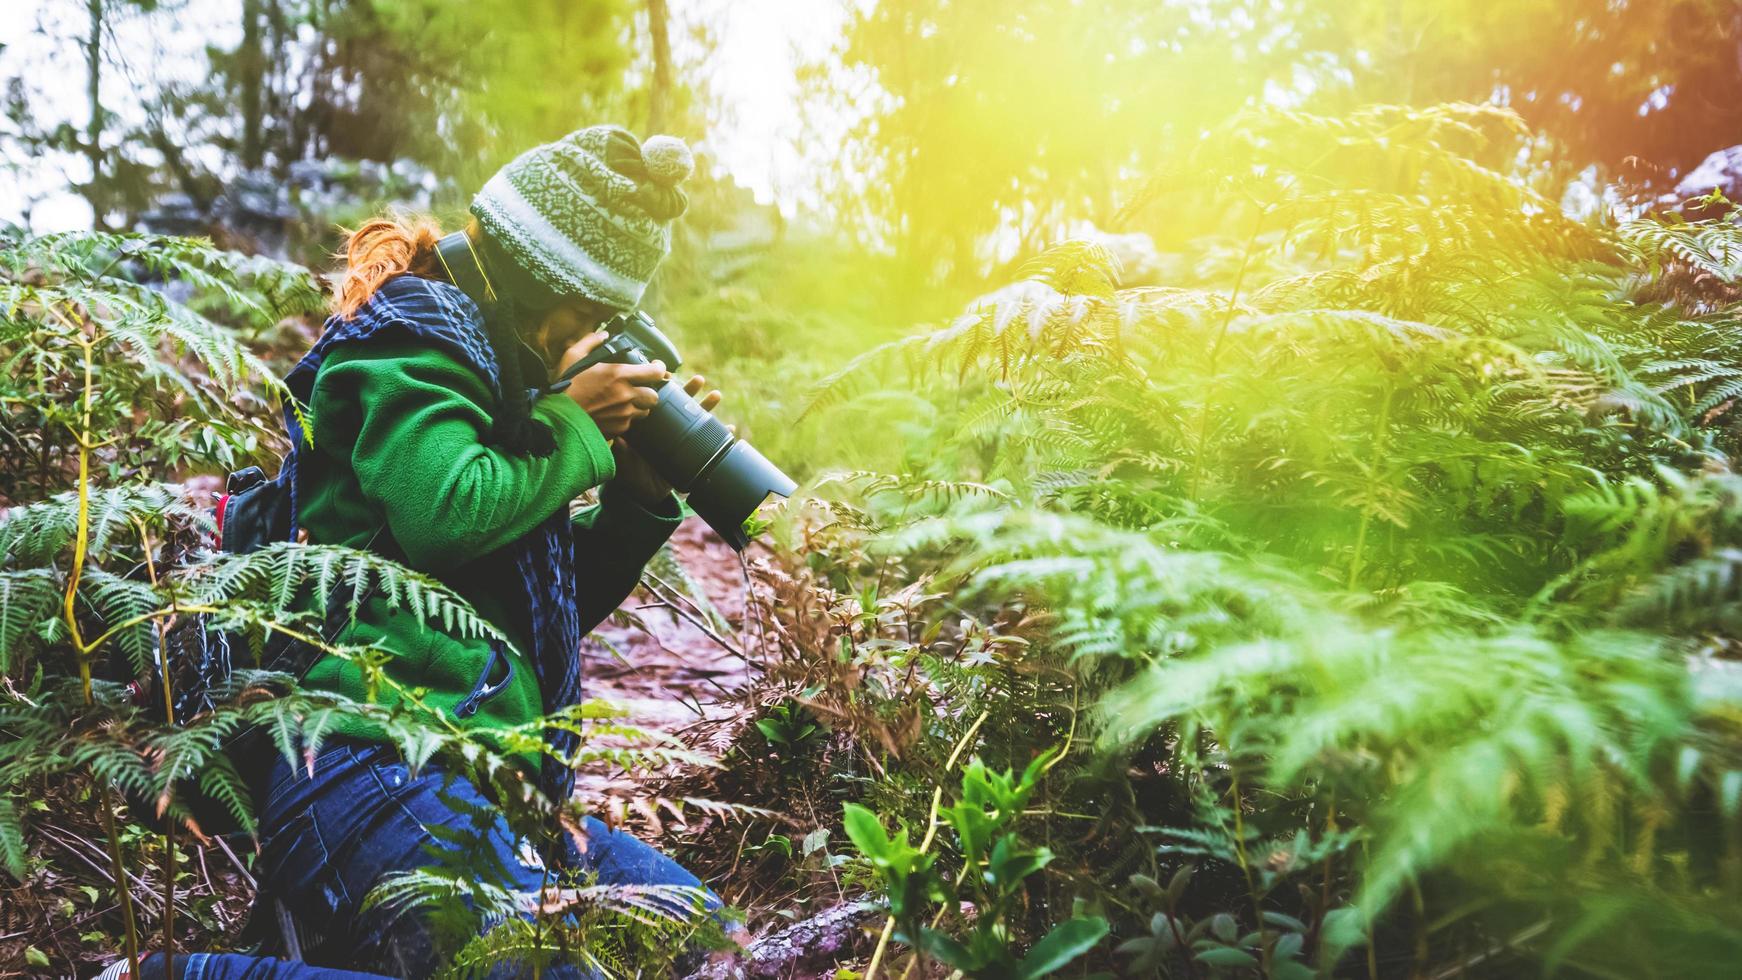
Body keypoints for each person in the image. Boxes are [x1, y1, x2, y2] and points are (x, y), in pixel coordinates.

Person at [105, 125, 730, 980]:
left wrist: (639, 499)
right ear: (539, 283)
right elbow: (446, 509)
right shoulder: (413, 332)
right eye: (585, 319)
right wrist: (575, 426)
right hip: (362, 762)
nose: (581, 343)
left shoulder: (504, 389)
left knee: (707, 945)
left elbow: (527, 612)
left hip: (487, 783)